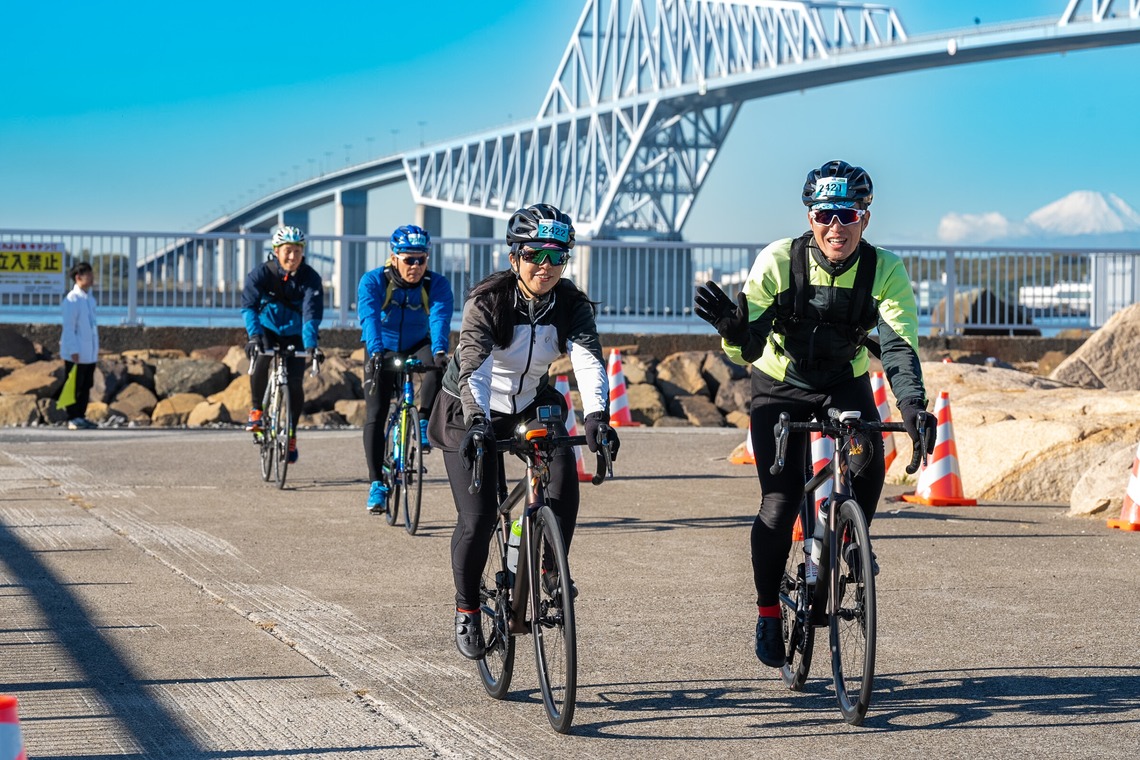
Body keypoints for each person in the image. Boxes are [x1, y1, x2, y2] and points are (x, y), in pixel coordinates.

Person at [693, 160, 937, 668]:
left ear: (865, 219)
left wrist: (913, 407)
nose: (836, 226)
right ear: (810, 217)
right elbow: (749, 345)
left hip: (841, 382)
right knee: (779, 504)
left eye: (847, 214)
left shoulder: (883, 269)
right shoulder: (779, 261)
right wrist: (735, 331)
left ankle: (850, 535)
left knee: (869, 453)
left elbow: (897, 348)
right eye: (825, 214)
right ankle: (767, 611)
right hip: (779, 382)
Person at [427, 203, 620, 660]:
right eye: (536, 255)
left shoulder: (570, 303)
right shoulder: (490, 301)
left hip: (530, 400)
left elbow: (589, 360)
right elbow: (473, 366)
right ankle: (467, 607)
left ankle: (552, 565)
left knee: (562, 473)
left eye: (557, 256)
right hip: (468, 408)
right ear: (515, 256)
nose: (546, 267)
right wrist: (477, 422)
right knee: (478, 518)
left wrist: (597, 417)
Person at [357, 224, 455, 512]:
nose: (415, 266)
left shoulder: (435, 284)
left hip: (417, 343)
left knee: (439, 368)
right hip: (382, 346)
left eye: (421, 259)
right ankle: (376, 484)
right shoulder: (374, 281)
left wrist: (439, 350)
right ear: (394, 257)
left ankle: (423, 420)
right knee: (375, 413)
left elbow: (439, 318)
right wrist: (375, 352)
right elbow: (369, 317)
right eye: (408, 259)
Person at [241, 225, 324, 464]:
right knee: (261, 358)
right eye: (288, 250)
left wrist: (311, 346)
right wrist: (254, 337)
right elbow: (249, 307)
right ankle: (257, 411)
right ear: (276, 251)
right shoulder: (262, 273)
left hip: (296, 333)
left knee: (295, 383)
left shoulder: (310, 278)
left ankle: (291, 434)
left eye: (297, 251)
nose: (292, 256)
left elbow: (311, 315)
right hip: (267, 329)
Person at [59, 261, 99, 429]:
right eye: (88, 275)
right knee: (74, 385)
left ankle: (81, 416)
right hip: (76, 352)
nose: (91, 278)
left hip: (89, 352)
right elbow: (69, 328)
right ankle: (72, 417)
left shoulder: (89, 299)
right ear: (78, 277)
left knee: (86, 385)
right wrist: (73, 350)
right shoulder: (72, 299)